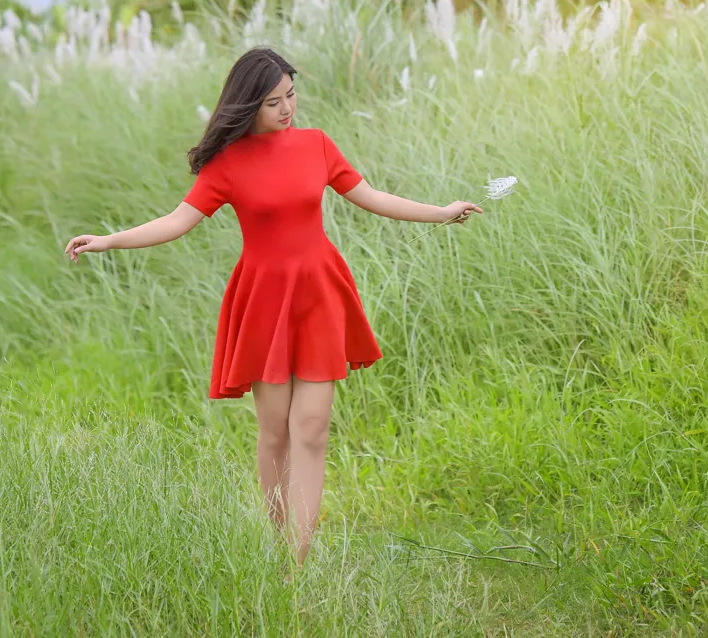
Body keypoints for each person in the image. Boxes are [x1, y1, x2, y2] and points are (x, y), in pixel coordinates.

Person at [63, 46, 484, 576]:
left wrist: (441, 213)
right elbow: (175, 221)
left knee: (312, 429)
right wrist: (109, 241)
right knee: (276, 433)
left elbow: (372, 196)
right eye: (273, 102)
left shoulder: (316, 146)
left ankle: (295, 565)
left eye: (291, 95)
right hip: (263, 299)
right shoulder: (228, 164)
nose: (287, 109)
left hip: (319, 292)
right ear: (247, 106)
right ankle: (276, 543)